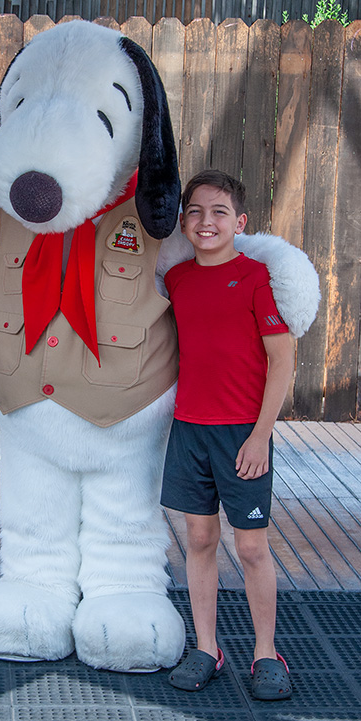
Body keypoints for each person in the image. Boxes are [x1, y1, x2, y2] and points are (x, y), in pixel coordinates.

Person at [161, 170, 294, 700]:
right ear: (183, 221)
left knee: (253, 547)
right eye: (195, 211)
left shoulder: (257, 277)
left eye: (218, 212)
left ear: (239, 222)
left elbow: (282, 359)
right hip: (190, 429)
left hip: (243, 433)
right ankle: (207, 647)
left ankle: (267, 653)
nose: (205, 221)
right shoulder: (176, 281)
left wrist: (261, 434)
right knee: (198, 538)